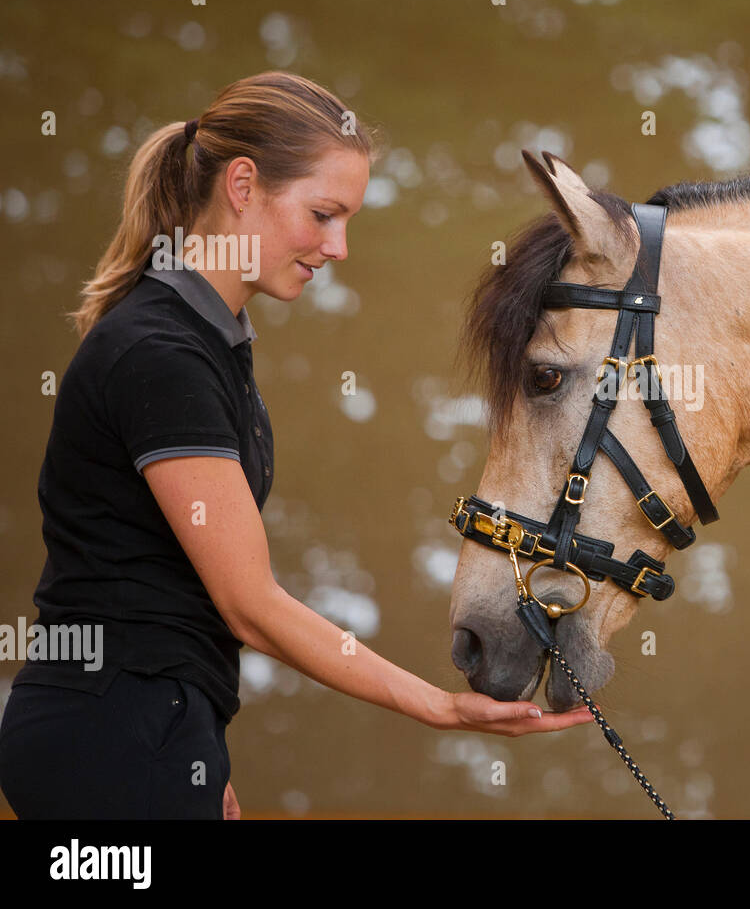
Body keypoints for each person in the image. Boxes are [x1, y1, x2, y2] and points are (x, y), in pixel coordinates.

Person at [0, 71, 591, 820]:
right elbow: (249, 605)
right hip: (110, 735)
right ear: (242, 185)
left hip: (143, 733)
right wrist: (439, 708)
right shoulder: (161, 352)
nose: (338, 246)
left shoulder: (204, 345)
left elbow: (164, 592)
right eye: (322, 213)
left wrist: (194, 751)